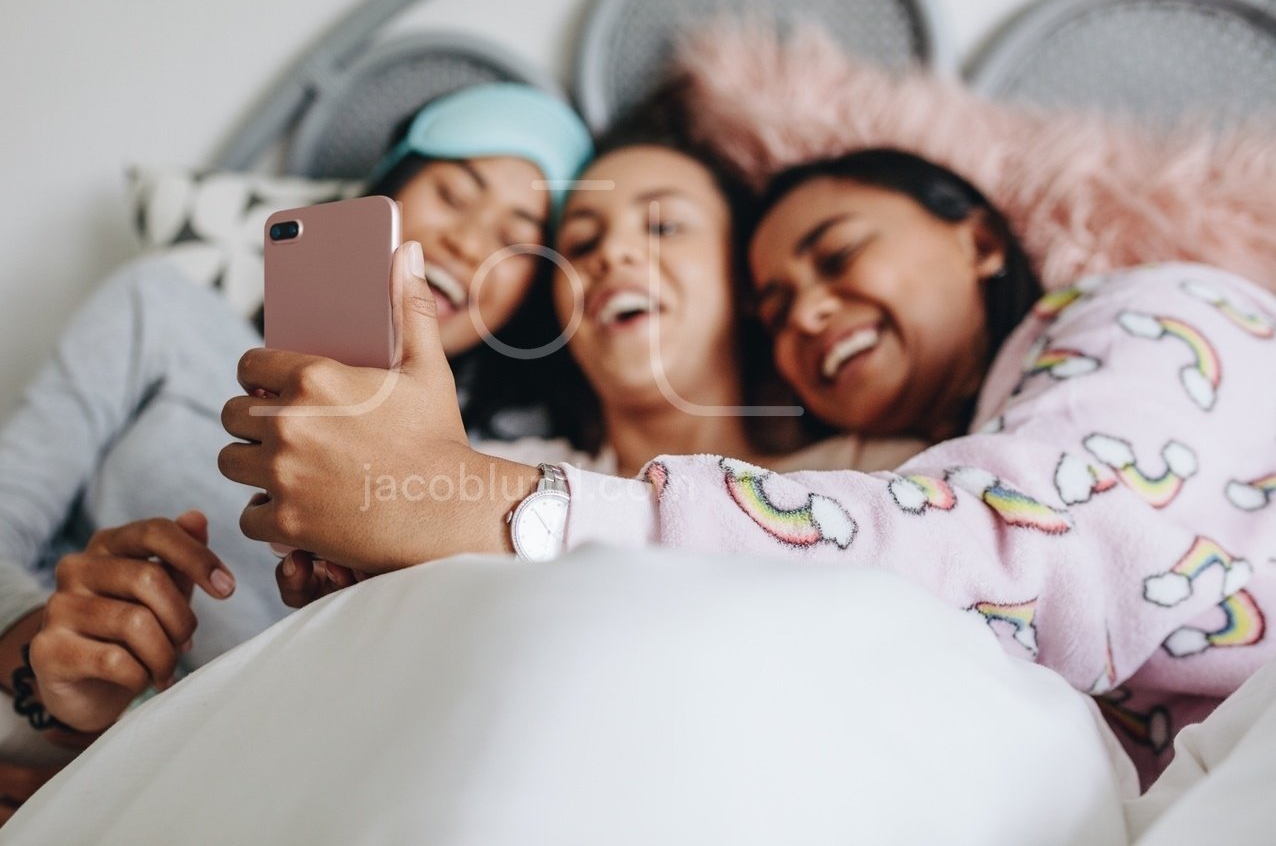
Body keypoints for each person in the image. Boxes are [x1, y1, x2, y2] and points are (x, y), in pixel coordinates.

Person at [222, 147, 1276, 785]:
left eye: (836, 252)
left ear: (979, 237)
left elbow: (1036, 539)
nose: (807, 314)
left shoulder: (1155, 312)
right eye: (775, 301)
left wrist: (479, 503)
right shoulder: (966, 451)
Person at [0, 81, 593, 830]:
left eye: (517, 234)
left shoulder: (503, 483)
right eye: (454, 191)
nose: (469, 242)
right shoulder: (160, 314)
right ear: (386, 191)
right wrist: (55, 680)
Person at [275, 97, 923, 607]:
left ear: (746, 279)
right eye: (580, 244)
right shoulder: (473, 471)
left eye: (665, 225)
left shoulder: (887, 483)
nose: (611, 253)